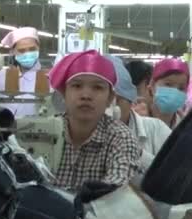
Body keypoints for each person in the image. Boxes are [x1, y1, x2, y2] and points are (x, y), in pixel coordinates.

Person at [49, 50, 142, 193]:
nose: (86, 95)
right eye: (77, 86)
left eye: (97, 87)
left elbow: (114, 193)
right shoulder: (46, 131)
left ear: (110, 98)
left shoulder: (121, 138)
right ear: (63, 93)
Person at [105, 55, 171, 170]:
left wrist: (134, 151)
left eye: (117, 100)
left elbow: (175, 177)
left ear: (130, 99)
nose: (108, 108)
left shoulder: (157, 129)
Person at [0, 27, 43, 117]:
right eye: (21, 50)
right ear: (12, 52)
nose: (27, 54)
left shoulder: (47, 79)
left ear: (38, 48)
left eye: (32, 49)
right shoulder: (1, 77)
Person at [147, 58, 190, 128]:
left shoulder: (187, 126)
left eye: (181, 88)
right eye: (168, 85)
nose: (174, 93)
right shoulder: (136, 122)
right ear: (152, 85)